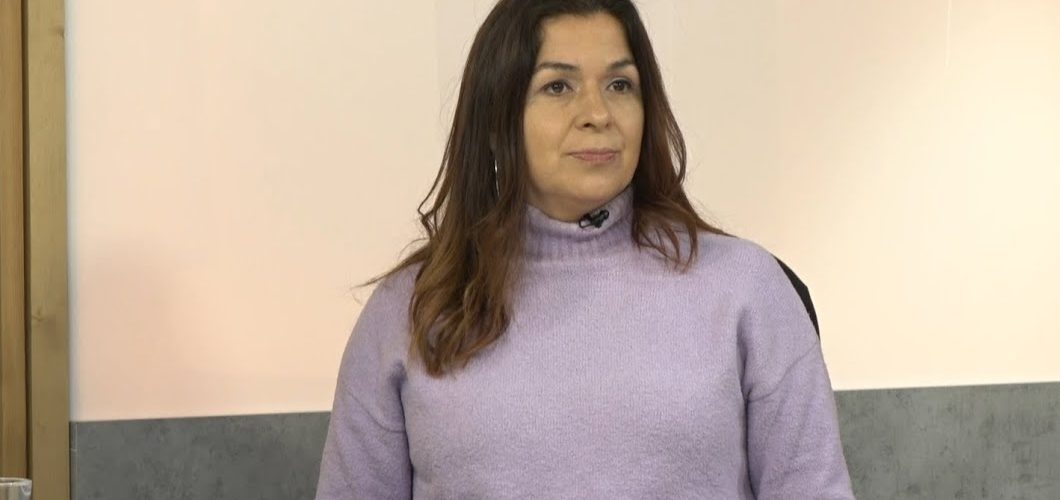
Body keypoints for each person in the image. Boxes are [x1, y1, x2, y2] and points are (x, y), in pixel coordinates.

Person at [315, 0, 855, 498]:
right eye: (558, 86)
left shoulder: (747, 290)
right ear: (496, 118)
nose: (598, 112)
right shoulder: (409, 309)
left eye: (620, 84)